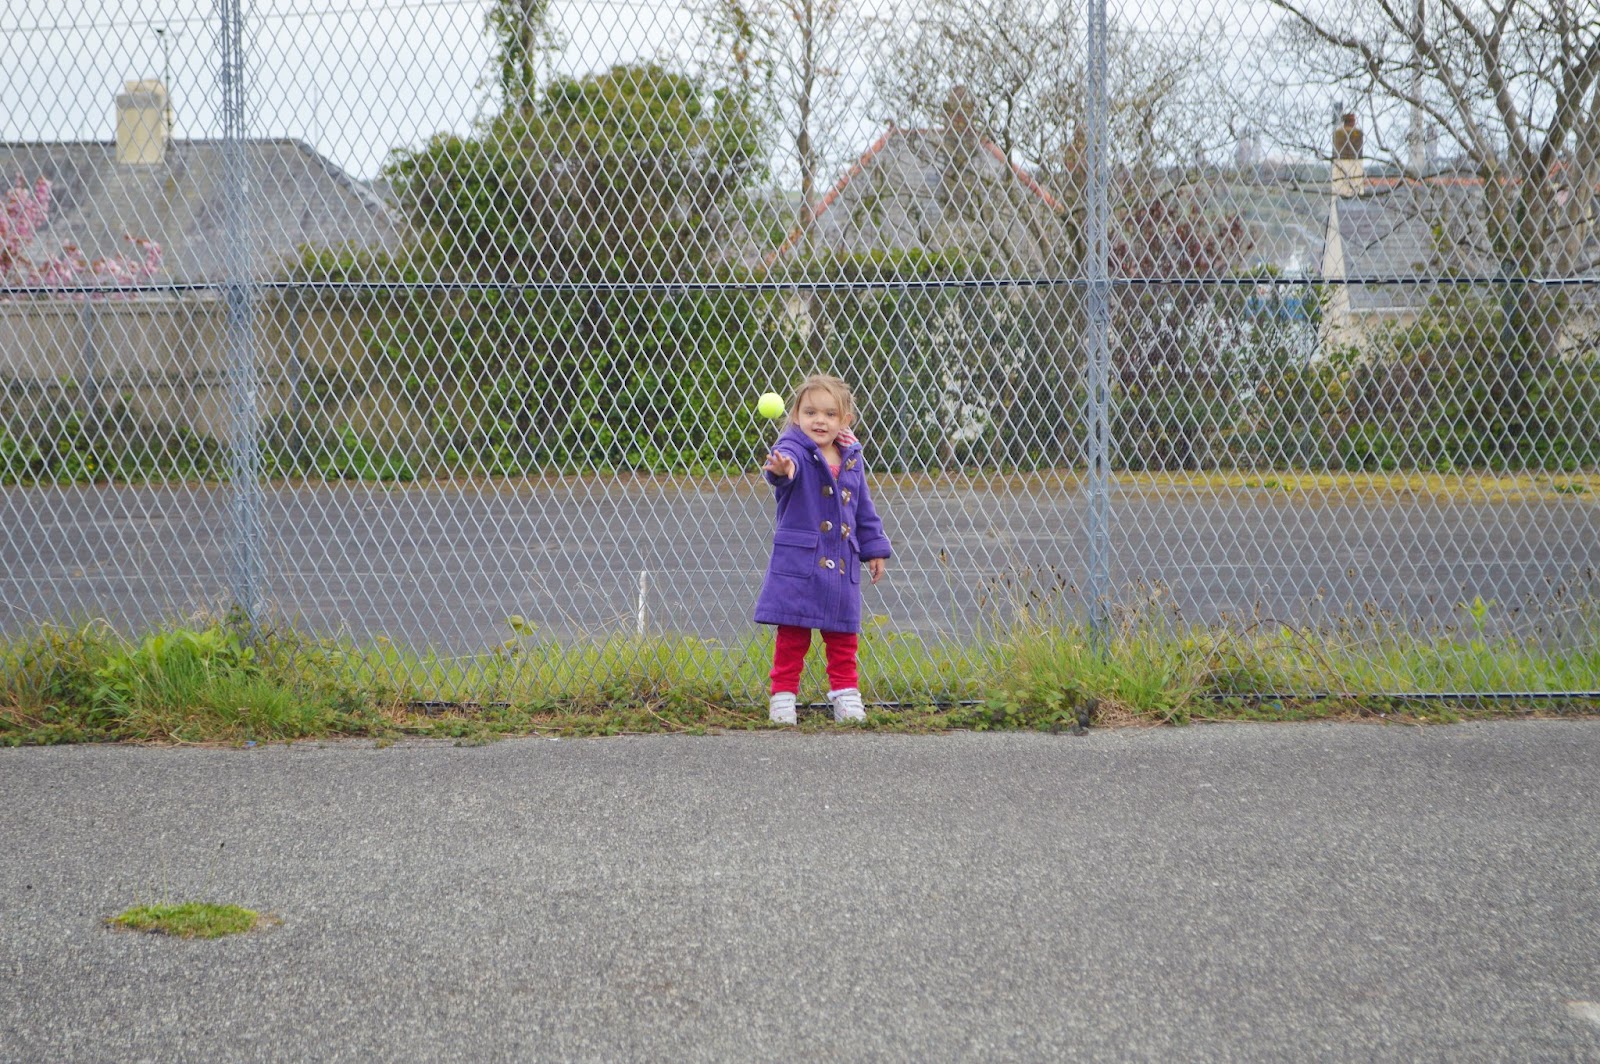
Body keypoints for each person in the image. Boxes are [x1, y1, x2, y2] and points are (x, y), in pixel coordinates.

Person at [753, 374, 892, 725]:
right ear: (796, 415)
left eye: (830, 414)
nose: (820, 420)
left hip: (842, 560)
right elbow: (787, 468)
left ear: (845, 420)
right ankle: (782, 697)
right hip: (801, 561)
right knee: (793, 633)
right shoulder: (793, 449)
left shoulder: (851, 456)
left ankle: (846, 694)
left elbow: (863, 508)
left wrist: (874, 548)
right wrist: (783, 470)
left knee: (843, 634)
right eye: (811, 412)